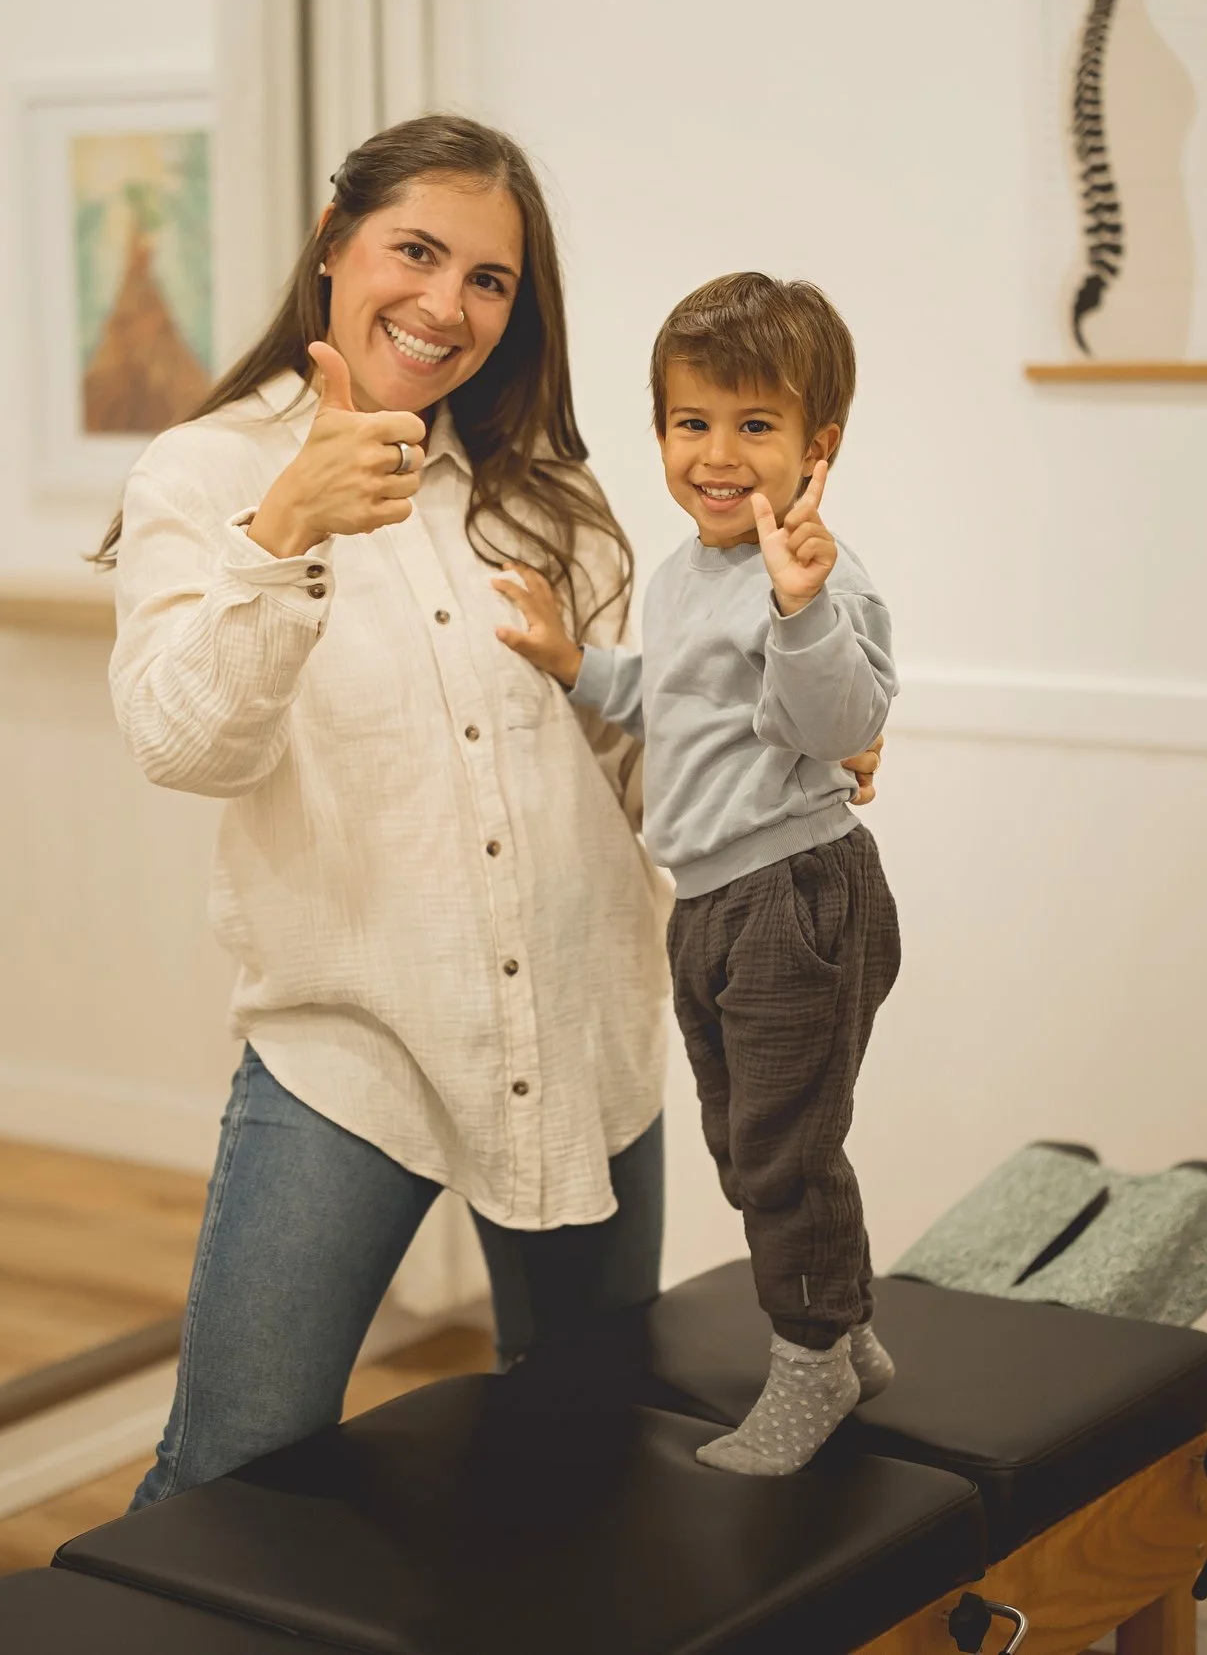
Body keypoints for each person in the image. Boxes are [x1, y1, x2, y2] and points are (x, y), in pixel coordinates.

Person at [99, 117, 881, 1508]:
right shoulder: (207, 477)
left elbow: (640, 764)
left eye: (491, 279)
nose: (446, 305)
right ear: (335, 244)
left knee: (580, 1453)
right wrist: (287, 532)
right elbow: (181, 744)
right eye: (416, 251)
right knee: (231, 1471)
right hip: (356, 1050)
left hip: (589, 1029)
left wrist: (797, 753)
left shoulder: (550, 495)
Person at [495, 272, 899, 1475]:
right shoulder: (679, 575)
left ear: (818, 447)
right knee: (747, 1142)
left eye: (756, 426)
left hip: (797, 897)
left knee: (781, 1151)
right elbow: (668, 707)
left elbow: (836, 721)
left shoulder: (823, 581)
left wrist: (802, 601)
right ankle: (850, 1326)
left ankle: (812, 1359)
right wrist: (575, 663)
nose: (718, 456)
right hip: (710, 902)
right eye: (692, 423)